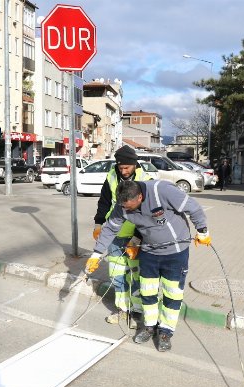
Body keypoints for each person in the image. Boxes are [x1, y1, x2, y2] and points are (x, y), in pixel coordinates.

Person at [85, 180, 211, 352]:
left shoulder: (162, 191)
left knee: (172, 293)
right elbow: (110, 229)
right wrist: (96, 254)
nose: (127, 211)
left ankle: (166, 331)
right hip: (149, 252)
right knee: (148, 291)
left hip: (175, 252)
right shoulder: (123, 205)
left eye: (130, 207)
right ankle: (149, 326)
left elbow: (193, 207)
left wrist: (203, 231)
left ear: (140, 196)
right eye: (124, 207)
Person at [92, 145, 152, 328]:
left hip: (136, 236)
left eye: (127, 167)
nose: (124, 171)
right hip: (115, 235)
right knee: (117, 275)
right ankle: (122, 310)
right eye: (120, 167)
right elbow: (104, 201)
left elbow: (148, 214)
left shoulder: (146, 180)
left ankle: (137, 311)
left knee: (136, 275)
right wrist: (98, 223)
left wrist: (137, 239)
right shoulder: (111, 176)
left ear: (134, 164)